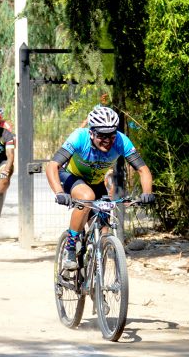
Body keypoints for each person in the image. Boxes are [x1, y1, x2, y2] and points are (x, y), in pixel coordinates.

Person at [45, 106, 155, 270]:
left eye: (111, 135)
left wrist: (147, 193)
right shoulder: (79, 137)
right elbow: (52, 166)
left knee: (104, 230)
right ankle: (70, 246)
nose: (108, 140)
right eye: (101, 135)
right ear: (91, 133)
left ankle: (96, 276)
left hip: (96, 183)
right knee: (87, 196)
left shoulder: (121, 141)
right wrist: (59, 193)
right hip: (70, 177)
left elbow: (143, 169)